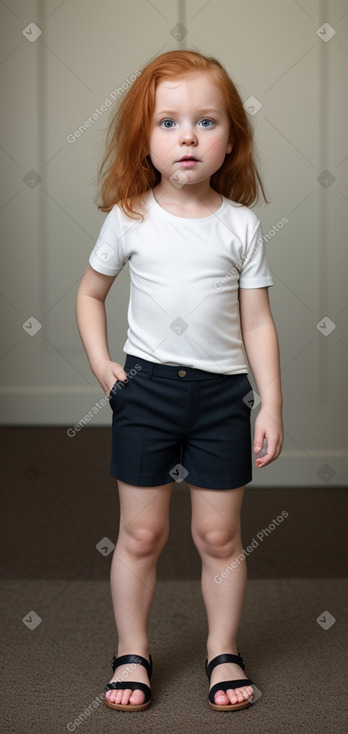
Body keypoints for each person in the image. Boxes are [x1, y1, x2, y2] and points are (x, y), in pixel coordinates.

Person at [76, 49, 283, 713]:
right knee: (140, 534)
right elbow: (88, 294)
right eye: (167, 122)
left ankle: (222, 650)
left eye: (205, 122)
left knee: (218, 536)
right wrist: (101, 364)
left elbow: (256, 325)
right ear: (145, 140)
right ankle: (130, 649)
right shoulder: (129, 217)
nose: (187, 136)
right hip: (146, 393)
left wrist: (269, 402)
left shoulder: (240, 226)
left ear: (230, 143)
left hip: (222, 400)